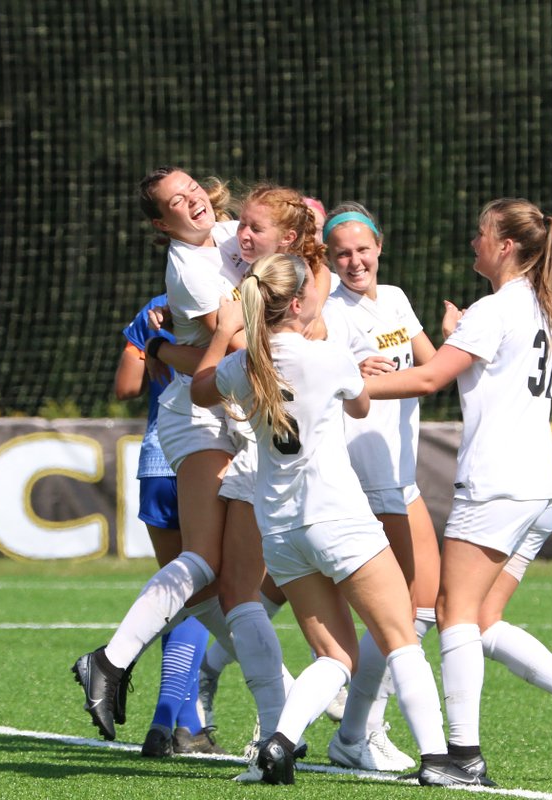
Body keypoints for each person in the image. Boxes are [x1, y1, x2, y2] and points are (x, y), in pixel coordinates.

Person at [190, 253, 485, 787]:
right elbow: (361, 408)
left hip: (280, 530)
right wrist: (352, 369)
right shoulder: (327, 356)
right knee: (401, 638)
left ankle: (279, 743)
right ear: (296, 303)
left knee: (335, 655)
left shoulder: (243, 363)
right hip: (338, 518)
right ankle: (439, 761)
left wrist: (225, 333)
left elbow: (200, 387)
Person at [364, 198, 552, 776]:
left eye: (482, 233)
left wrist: (345, 384)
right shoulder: (540, 307)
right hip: (540, 489)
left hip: (497, 485)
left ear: (505, 245)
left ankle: (464, 756)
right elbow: (483, 371)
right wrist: (458, 335)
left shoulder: (495, 308)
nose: (473, 241)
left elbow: (429, 378)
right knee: (479, 623)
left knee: (451, 611)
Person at [73, 168, 285, 758]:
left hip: (235, 415)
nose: (192, 201)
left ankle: (288, 711)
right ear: (161, 223)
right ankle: (114, 664)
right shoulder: (188, 268)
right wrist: (306, 355)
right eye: (175, 201)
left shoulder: (234, 233)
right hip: (198, 415)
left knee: (233, 586)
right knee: (208, 566)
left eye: (192, 189)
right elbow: (233, 346)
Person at [319, 202, 439, 772]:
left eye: (362, 249)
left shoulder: (394, 298)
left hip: (400, 473)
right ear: (328, 258)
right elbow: (335, 381)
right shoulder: (331, 312)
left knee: (421, 607)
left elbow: (432, 367)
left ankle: (357, 731)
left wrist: (459, 339)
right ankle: (360, 732)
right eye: (341, 253)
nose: (354, 261)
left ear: (379, 247)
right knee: (401, 613)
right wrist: (353, 374)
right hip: (365, 476)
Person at [114, 294, 224, 757]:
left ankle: (182, 725)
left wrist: (149, 344)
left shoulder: (154, 309)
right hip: (206, 453)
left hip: (158, 459)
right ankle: (170, 720)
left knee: (180, 594)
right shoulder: (229, 303)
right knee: (202, 594)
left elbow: (126, 387)